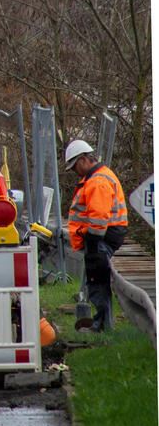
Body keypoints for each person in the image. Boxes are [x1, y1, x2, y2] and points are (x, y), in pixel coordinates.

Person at [64, 139, 129, 332]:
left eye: (75, 166)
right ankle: (101, 323)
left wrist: (92, 244)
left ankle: (101, 325)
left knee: (97, 281)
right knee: (97, 280)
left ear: (83, 160)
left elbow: (99, 218)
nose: (75, 171)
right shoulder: (99, 177)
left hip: (101, 238)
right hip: (104, 237)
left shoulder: (98, 181)